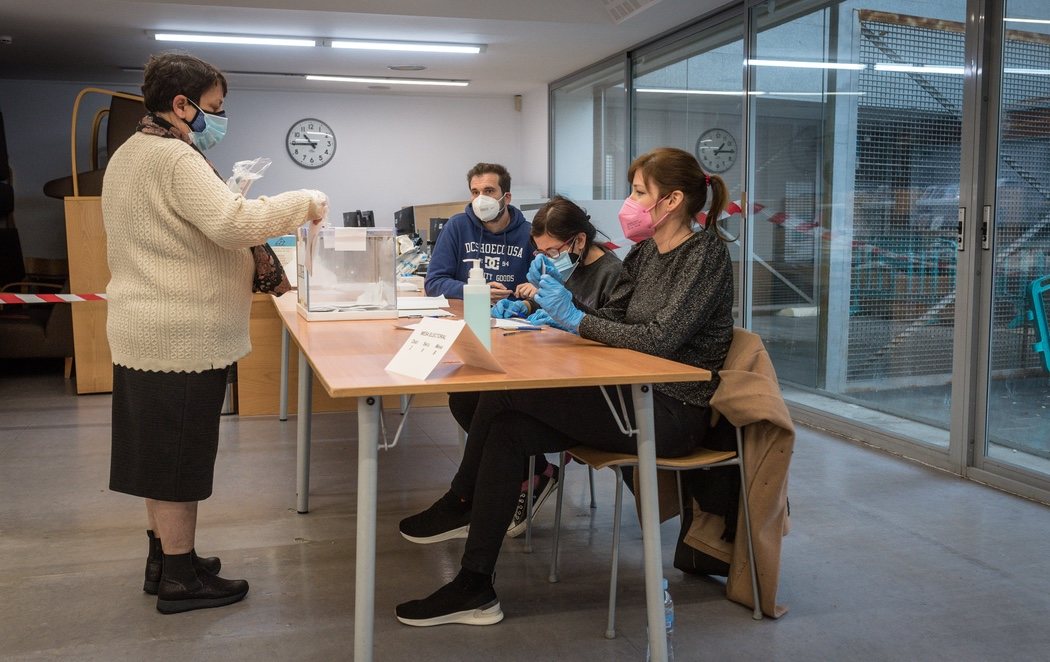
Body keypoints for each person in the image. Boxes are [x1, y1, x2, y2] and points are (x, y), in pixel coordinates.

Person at [395, 146, 734, 627]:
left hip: (670, 409)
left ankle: (460, 501)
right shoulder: (645, 253)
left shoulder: (704, 257)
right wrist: (564, 308)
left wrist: (575, 319)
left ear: (673, 198)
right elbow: (614, 319)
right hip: (628, 394)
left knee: (504, 391)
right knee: (508, 428)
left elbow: (661, 341)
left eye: (640, 192)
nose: (630, 203)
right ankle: (474, 586)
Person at [102, 52, 329, 615]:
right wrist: (304, 201)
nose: (218, 118)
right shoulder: (175, 158)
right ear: (181, 105)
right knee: (179, 459)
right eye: (213, 108)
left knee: (159, 456)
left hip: (144, 328)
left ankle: (168, 559)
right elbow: (232, 225)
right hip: (179, 334)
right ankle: (181, 578)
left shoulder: (132, 152)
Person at [426, 196, 623, 541]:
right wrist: (526, 305)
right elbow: (555, 303)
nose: (547, 259)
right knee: (464, 398)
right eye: (541, 252)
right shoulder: (571, 264)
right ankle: (531, 477)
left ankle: (473, 493)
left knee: (495, 399)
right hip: (558, 362)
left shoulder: (611, 273)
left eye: (551, 251)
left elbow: (602, 326)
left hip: (589, 384)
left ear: (578, 240)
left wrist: (568, 316)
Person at [423, 163, 533, 302]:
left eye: (489, 191)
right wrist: (476, 292)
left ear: (506, 198)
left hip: (513, 317)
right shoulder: (457, 226)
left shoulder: (529, 234)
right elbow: (433, 283)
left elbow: (543, 288)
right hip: (466, 314)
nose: (481, 199)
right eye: (475, 192)